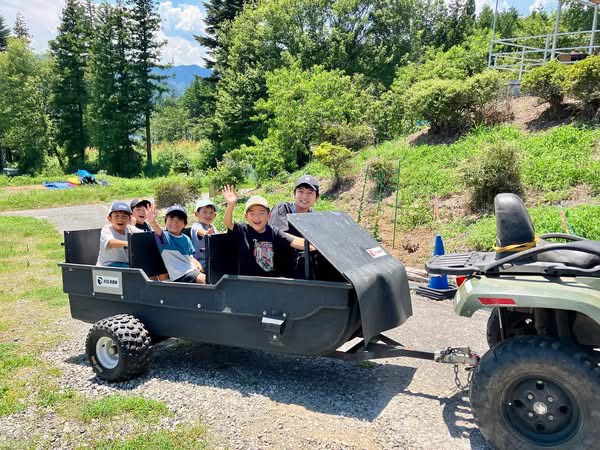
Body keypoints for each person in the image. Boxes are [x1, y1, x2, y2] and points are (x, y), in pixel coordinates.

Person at [222, 185, 311, 277]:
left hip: (270, 282)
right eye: (252, 213)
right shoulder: (242, 230)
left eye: (261, 213)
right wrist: (230, 205)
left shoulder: (274, 232)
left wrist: (316, 245)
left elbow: (294, 242)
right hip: (248, 282)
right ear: (246, 216)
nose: (257, 217)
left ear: (269, 215)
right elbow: (228, 223)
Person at [268, 175, 319, 277]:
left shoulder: (314, 217)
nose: (304, 196)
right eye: (300, 191)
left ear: (316, 198)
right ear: (294, 194)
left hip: (303, 267)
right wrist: (309, 246)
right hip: (279, 268)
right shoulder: (282, 208)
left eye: (310, 192)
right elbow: (279, 235)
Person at [146, 204, 206, 284]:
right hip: (179, 274)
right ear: (165, 221)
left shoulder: (186, 238)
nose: (175, 222)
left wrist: (197, 263)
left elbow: (191, 257)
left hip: (192, 270)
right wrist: (152, 222)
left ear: (184, 224)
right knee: (203, 279)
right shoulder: (165, 237)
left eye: (180, 219)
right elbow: (158, 230)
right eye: (171, 218)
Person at [96, 201, 141, 267]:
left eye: (124, 216)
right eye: (116, 216)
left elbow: (145, 236)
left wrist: (152, 222)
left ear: (129, 219)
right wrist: (130, 243)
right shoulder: (107, 229)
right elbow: (111, 243)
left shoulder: (131, 229)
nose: (120, 219)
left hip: (126, 265)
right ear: (109, 219)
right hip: (107, 266)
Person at [191, 199, 219, 269]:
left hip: (213, 259)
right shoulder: (196, 225)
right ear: (197, 214)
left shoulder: (213, 227)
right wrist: (206, 233)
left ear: (215, 215)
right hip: (202, 261)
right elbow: (199, 231)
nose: (208, 215)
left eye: (211, 212)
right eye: (204, 212)